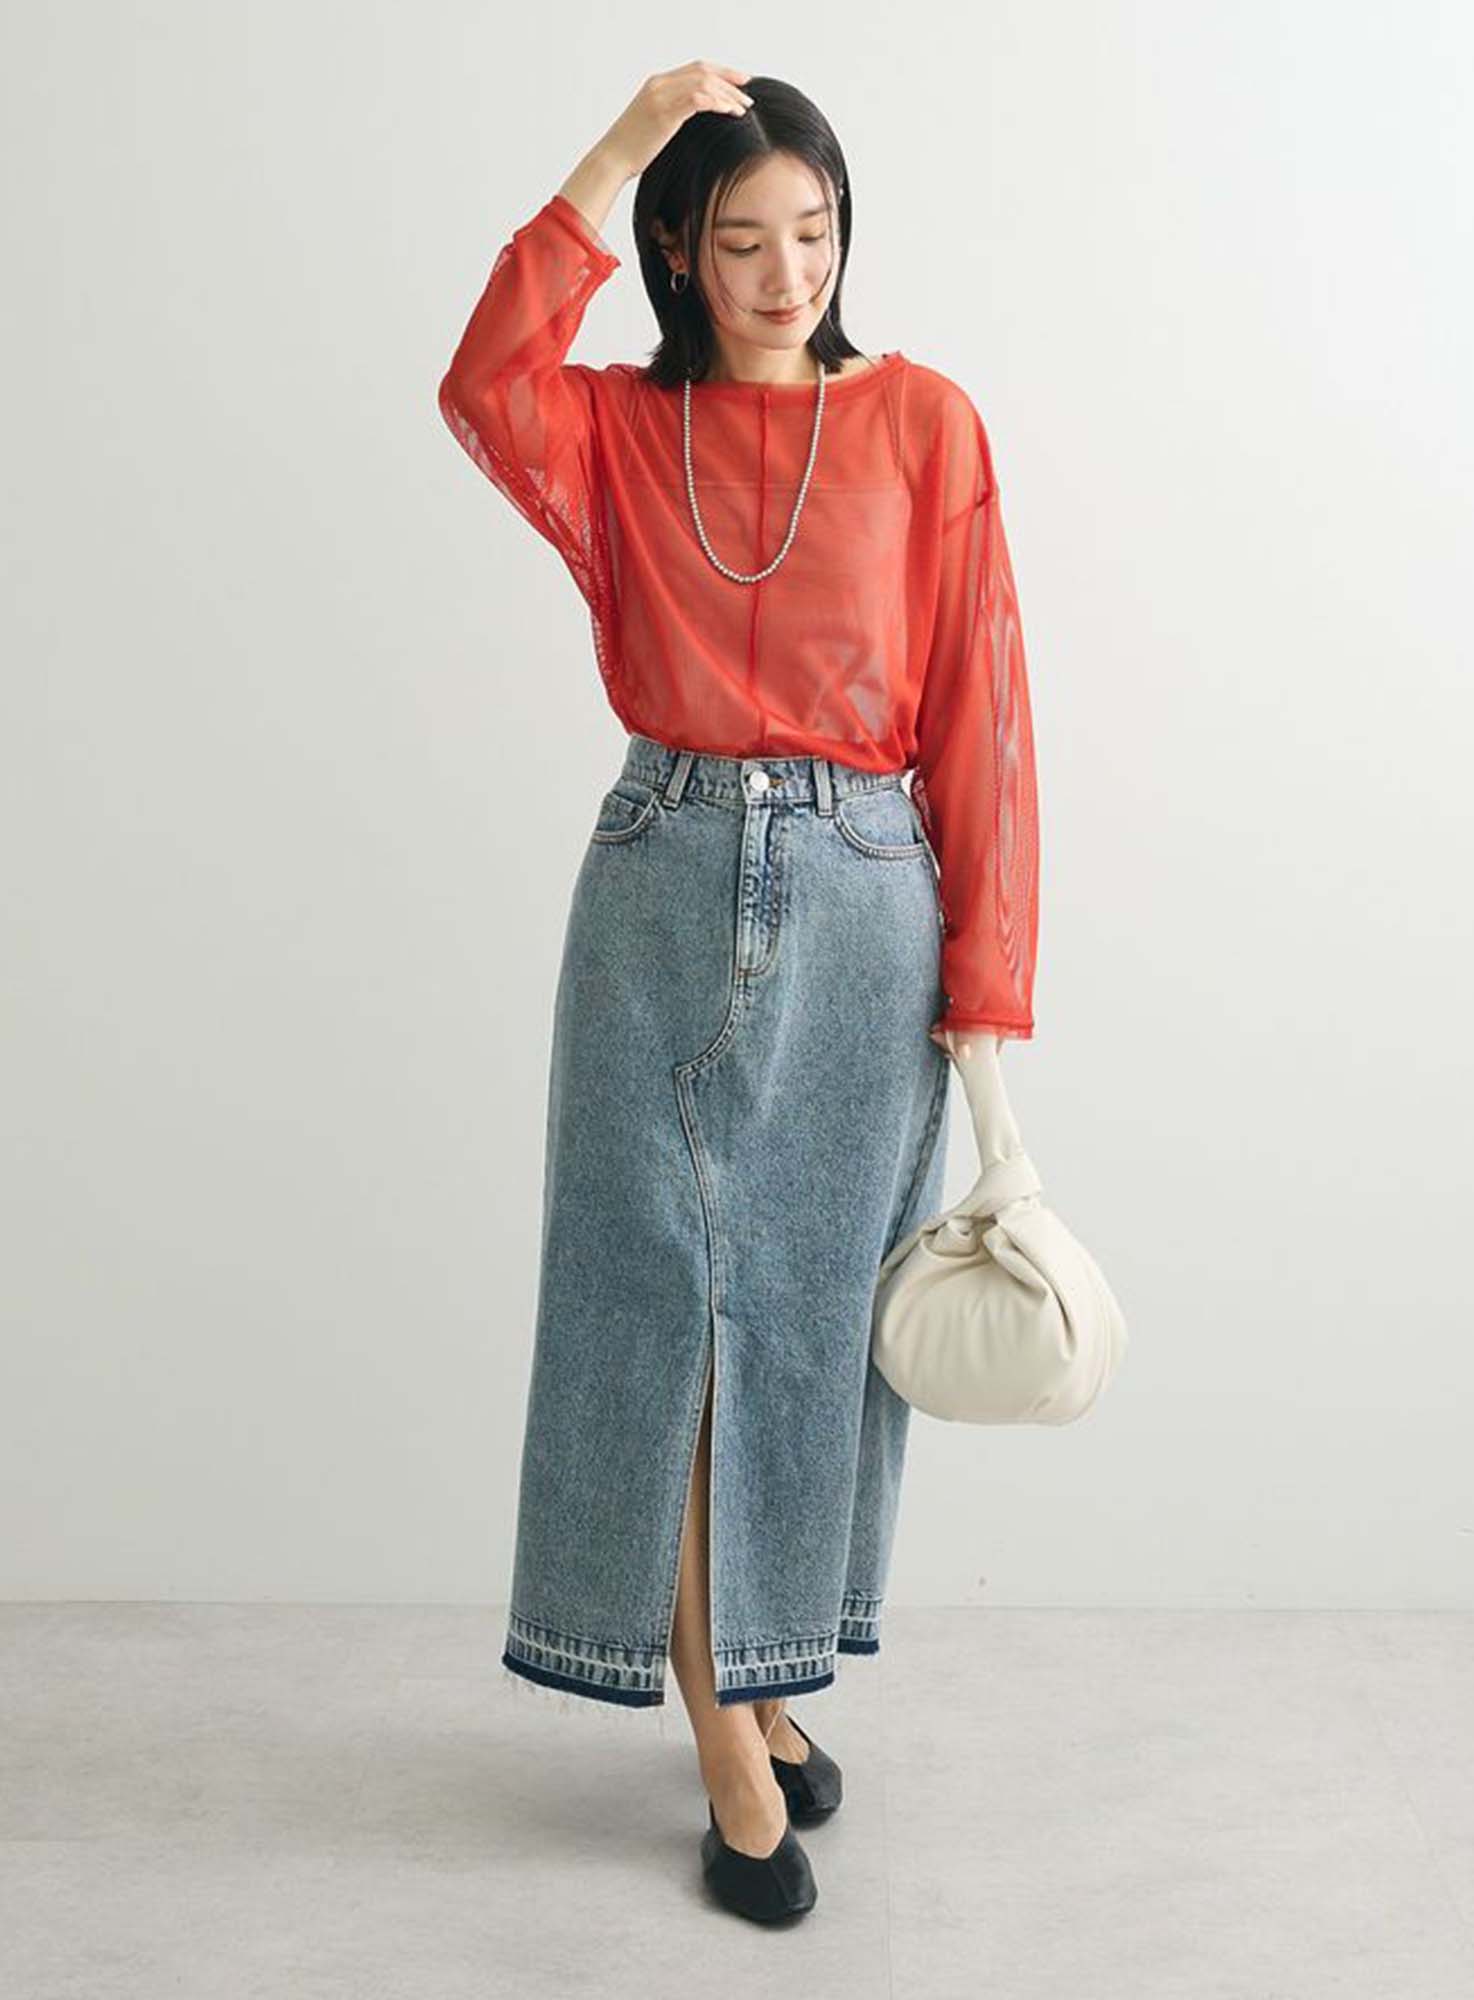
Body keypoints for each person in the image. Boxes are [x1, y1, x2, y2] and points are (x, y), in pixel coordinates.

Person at [436, 61, 1040, 1923]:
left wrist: (988, 992)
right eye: (745, 239)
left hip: (868, 898)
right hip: (664, 883)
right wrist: (618, 145)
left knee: (808, 1325)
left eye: (816, 231)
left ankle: (767, 1676)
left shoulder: (924, 422)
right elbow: (482, 383)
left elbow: (982, 706)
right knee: (671, 1318)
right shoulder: (619, 430)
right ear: (680, 254)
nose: (790, 273)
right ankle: (723, 1740)